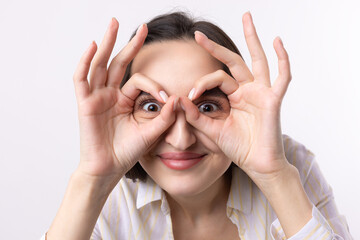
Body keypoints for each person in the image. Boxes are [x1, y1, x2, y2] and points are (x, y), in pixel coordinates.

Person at [42, 11, 353, 240]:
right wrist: (92, 180)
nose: (181, 139)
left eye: (206, 107)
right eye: (152, 107)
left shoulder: (289, 166)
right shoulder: (110, 198)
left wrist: (274, 175)